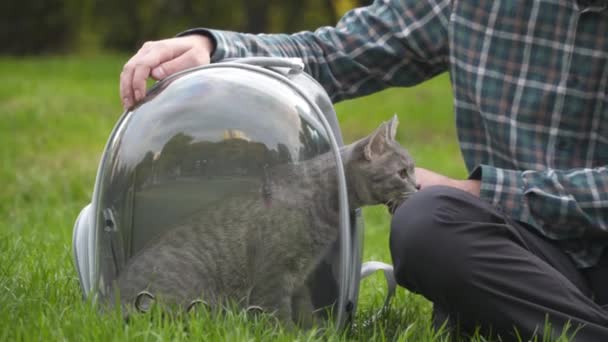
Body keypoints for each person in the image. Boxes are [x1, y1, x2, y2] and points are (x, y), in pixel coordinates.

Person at [119, 0, 608, 339]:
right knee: (426, 224)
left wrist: (478, 189)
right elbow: (333, 54)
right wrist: (213, 47)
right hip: (525, 250)